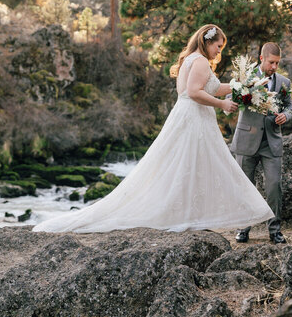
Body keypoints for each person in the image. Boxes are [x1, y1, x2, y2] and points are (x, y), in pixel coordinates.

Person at [33, 24, 274, 233]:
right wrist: (222, 104)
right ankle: (189, 214)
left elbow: (210, 87)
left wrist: (239, 87)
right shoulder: (200, 61)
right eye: (218, 46)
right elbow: (194, 92)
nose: (219, 51)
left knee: (187, 164)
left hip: (188, 115)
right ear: (207, 41)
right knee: (192, 164)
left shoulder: (191, 59)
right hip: (194, 117)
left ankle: (189, 214)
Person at [230, 42, 292, 244]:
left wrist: (285, 115)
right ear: (261, 59)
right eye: (271, 62)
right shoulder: (245, 78)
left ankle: (275, 230)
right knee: (244, 187)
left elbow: (289, 107)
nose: (274, 67)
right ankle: (243, 228)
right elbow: (231, 98)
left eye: (277, 63)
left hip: (271, 142)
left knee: (274, 186)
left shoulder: (284, 82)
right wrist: (240, 96)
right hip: (247, 139)